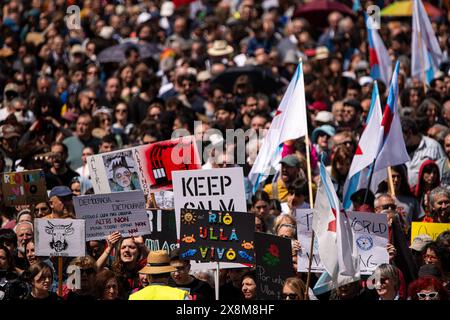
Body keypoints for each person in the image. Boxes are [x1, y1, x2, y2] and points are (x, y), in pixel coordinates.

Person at [401, 118, 445, 187]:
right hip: (405, 194)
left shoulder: (433, 146)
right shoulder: (399, 149)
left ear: (409, 133)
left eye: (401, 136)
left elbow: (442, 170)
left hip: (427, 193)